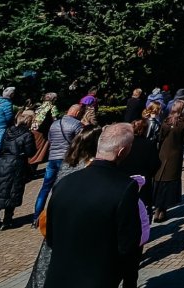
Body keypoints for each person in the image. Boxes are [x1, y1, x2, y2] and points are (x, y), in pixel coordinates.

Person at [44, 123, 141, 288]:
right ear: (122, 151)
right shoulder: (125, 187)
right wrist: (130, 281)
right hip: (97, 278)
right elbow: (128, 245)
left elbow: (51, 234)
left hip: (58, 277)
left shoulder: (65, 182)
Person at [0, 109, 36, 229]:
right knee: (12, 192)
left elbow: (0, 146)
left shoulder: (8, 131)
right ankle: (7, 220)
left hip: (2, 162)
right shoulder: (27, 134)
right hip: (16, 164)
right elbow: (30, 152)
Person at [33, 104, 83, 222]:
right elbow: (79, 143)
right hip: (66, 159)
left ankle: (36, 218)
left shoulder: (54, 124)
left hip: (52, 158)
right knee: (64, 188)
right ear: (77, 113)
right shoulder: (77, 124)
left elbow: (50, 140)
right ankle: (60, 216)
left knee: (45, 188)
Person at [151, 99, 184, 222]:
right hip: (175, 154)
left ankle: (158, 208)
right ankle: (162, 209)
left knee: (160, 179)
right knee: (169, 181)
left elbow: (160, 137)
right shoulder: (183, 123)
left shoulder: (165, 122)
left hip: (163, 152)